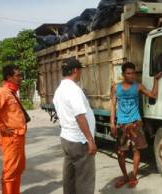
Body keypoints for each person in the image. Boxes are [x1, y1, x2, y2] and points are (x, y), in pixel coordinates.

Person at [110, 62, 162, 188]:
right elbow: (112, 105)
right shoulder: (115, 88)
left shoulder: (138, 86)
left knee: (136, 150)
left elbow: (153, 95)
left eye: (133, 73)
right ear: (123, 74)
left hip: (135, 123)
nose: (132, 76)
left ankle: (133, 176)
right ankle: (124, 176)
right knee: (120, 152)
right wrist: (112, 123)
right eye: (128, 73)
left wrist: (156, 80)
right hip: (121, 124)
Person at [53, 57, 97, 194]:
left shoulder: (59, 90)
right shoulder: (73, 90)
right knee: (85, 180)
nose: (80, 74)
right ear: (75, 70)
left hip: (67, 138)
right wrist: (90, 140)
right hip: (79, 140)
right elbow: (80, 116)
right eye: (80, 70)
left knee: (70, 177)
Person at [0, 65, 28, 194]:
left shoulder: (11, 93)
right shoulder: (2, 92)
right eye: (18, 75)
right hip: (11, 138)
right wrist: (2, 127)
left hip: (18, 137)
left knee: (18, 169)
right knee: (10, 171)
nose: (21, 78)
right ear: (9, 77)